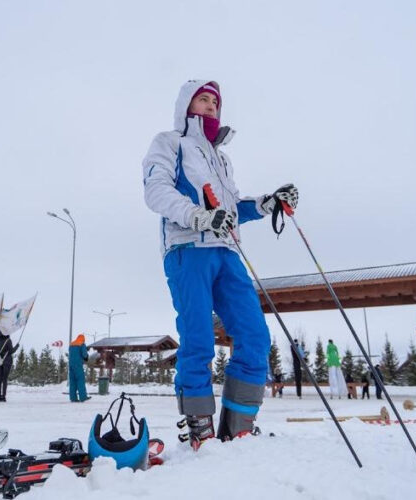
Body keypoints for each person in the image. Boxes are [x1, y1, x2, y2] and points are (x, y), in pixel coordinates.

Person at [142, 80, 299, 447]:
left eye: (215, 101)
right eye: (203, 99)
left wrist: (266, 204)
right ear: (187, 105)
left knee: (255, 335)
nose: (211, 106)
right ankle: (200, 426)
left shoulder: (221, 158)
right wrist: (197, 215)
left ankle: (238, 426)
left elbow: (230, 209)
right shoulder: (170, 142)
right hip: (187, 249)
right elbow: (156, 191)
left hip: (227, 251)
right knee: (198, 338)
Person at [0, 330, 18, 402]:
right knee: (4, 379)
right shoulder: (8, 341)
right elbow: (11, 351)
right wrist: (17, 346)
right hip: (7, 361)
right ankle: (3, 396)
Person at [68, 334, 90, 402]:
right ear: (83, 339)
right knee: (80, 380)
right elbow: (84, 355)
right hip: (78, 365)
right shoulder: (82, 344)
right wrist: (86, 357)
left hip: (71, 365)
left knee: (72, 381)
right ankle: (83, 397)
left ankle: (73, 398)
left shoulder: (71, 344)